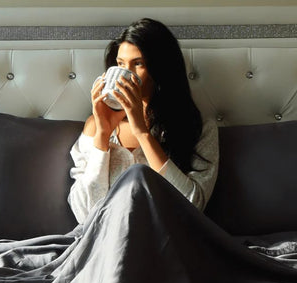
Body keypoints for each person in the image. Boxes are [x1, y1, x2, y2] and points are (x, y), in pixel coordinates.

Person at [67, 18, 219, 224]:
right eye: (120, 64)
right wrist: (102, 135)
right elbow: (84, 215)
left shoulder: (199, 127)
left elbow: (192, 206)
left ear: (161, 69)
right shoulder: (96, 126)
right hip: (107, 242)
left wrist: (143, 134)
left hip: (166, 241)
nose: (126, 74)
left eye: (138, 64)